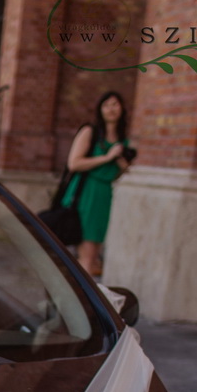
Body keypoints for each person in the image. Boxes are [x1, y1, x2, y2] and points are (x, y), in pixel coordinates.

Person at [61, 91, 134, 277]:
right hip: (86, 192)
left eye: (115, 104)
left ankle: (74, 294)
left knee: (93, 253)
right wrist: (107, 157)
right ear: (100, 109)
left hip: (104, 194)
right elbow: (74, 163)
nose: (111, 109)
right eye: (107, 105)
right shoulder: (90, 132)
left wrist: (121, 165)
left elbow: (115, 174)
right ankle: (84, 300)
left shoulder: (123, 140)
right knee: (87, 252)